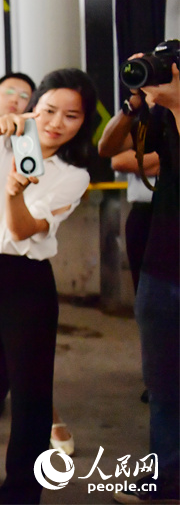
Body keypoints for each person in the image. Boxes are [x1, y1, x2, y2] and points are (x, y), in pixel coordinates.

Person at [0, 68, 98, 504]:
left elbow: (22, 231)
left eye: (71, 116)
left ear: (82, 122)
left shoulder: (74, 174)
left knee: (31, 393)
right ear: (34, 106)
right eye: (49, 109)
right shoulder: (0, 144)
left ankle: (21, 489)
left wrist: (14, 192)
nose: (55, 122)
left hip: (26, 285)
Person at [97, 52, 178, 505]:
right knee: (163, 382)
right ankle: (165, 476)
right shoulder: (157, 118)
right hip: (161, 261)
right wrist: (132, 103)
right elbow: (110, 152)